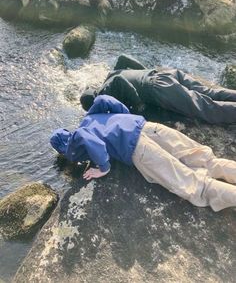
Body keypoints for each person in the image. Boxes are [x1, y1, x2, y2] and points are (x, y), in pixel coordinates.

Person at [51, 95, 236, 212]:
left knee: (194, 186)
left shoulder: (75, 139)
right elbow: (104, 99)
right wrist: (126, 117)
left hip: (140, 149)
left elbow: (88, 139)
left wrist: (103, 168)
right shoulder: (90, 116)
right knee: (207, 161)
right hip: (147, 127)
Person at [80, 54, 236, 124]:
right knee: (209, 93)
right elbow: (123, 57)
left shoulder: (104, 92)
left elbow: (119, 81)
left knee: (205, 108)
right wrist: (145, 71)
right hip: (164, 75)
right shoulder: (111, 73)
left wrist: (139, 105)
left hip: (159, 89)